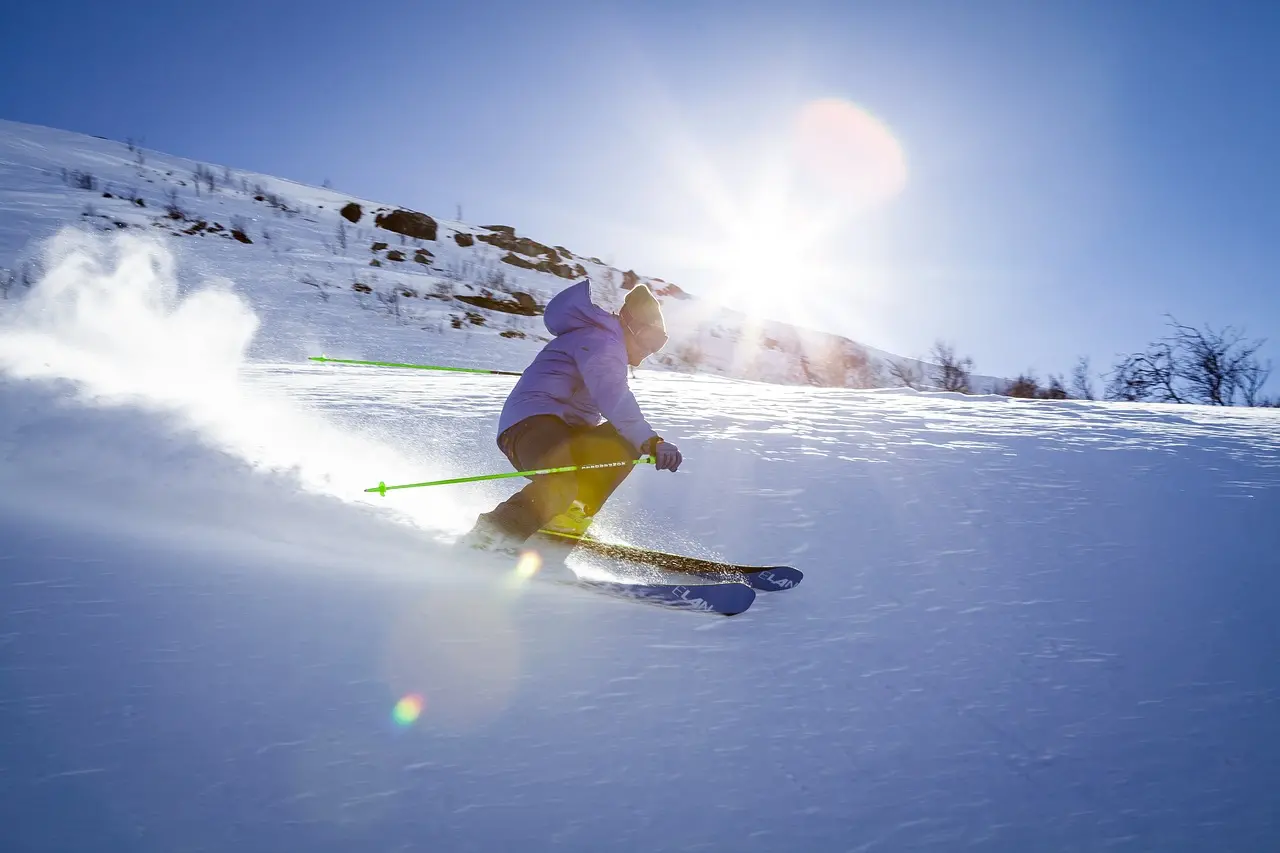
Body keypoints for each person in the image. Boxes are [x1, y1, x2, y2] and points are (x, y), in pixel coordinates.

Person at [461, 277, 682, 551]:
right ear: (631, 325)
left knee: (621, 439)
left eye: (658, 345)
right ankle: (490, 537)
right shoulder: (602, 340)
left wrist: (641, 440)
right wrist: (651, 440)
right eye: (649, 340)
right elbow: (614, 395)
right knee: (562, 482)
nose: (648, 352)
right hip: (530, 426)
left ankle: (563, 522)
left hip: (563, 431)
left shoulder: (605, 342)